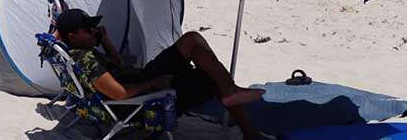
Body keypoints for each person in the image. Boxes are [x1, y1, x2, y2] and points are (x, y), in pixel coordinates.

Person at [53, 9, 264, 139]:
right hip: (136, 101)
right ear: (72, 36)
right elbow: (118, 93)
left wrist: (105, 42)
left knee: (191, 39)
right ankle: (247, 127)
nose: (94, 30)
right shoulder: (85, 60)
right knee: (209, 77)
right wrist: (154, 83)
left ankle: (229, 91)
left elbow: (118, 65)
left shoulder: (80, 52)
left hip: (137, 78)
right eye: (88, 29)